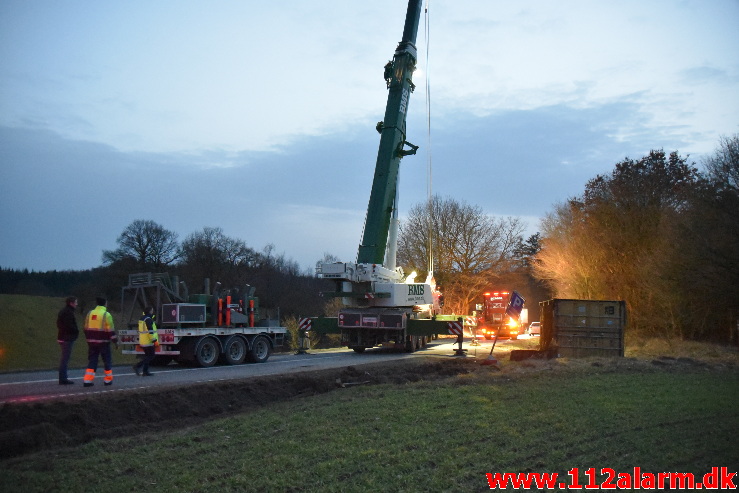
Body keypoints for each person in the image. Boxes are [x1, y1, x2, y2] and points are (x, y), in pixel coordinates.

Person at [82, 296, 117, 387]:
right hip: (103, 342)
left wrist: (88, 338)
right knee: (107, 361)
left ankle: (87, 381)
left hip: (91, 342)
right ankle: (108, 380)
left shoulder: (90, 313)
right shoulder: (106, 314)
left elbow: (85, 328)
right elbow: (110, 330)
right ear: (105, 303)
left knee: (92, 360)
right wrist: (115, 341)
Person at [56, 296, 79, 385]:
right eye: (75, 302)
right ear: (71, 303)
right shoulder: (68, 312)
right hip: (67, 338)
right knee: (65, 359)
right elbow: (69, 325)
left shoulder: (63, 311)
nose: (77, 304)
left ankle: (63, 377)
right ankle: (63, 378)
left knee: (64, 358)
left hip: (62, 336)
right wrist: (75, 331)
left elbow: (59, 324)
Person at [133, 306, 158, 377]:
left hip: (143, 341)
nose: (152, 311)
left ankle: (145, 371)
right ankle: (138, 366)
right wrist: (154, 340)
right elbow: (150, 331)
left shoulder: (142, 319)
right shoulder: (148, 319)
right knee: (151, 356)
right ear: (150, 311)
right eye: (152, 310)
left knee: (147, 356)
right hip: (148, 341)